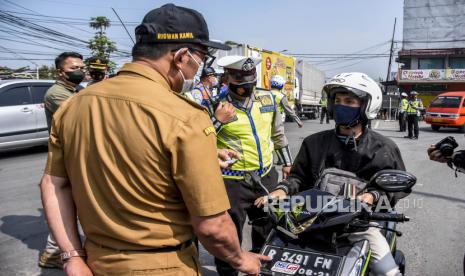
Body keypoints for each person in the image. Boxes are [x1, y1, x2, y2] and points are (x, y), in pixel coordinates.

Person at [40, 4, 270, 276]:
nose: (198, 70)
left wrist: (71, 256)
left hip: (95, 262)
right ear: (182, 55)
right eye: (200, 58)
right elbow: (213, 226)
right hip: (163, 264)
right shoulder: (185, 116)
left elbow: (54, 185)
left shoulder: (74, 106)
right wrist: (241, 259)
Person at [256, 72, 409, 276]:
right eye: (337, 100)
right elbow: (297, 178)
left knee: (389, 272)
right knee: (266, 265)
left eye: (349, 101)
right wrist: (281, 191)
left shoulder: (383, 148)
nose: (341, 105)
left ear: (366, 105)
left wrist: (372, 196)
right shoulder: (314, 143)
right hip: (307, 223)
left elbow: (395, 185)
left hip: (358, 228)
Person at [214, 55, 293, 276]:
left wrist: (287, 162)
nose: (246, 87)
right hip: (232, 181)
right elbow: (201, 141)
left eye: (250, 80)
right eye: (240, 82)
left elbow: (278, 134)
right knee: (229, 234)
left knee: (267, 228)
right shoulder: (215, 106)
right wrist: (217, 121)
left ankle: (261, 269)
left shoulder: (268, 100)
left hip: (266, 177)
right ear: (228, 78)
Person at [39, 51, 85, 268]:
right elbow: (83, 113)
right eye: (73, 68)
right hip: (65, 155)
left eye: (81, 68)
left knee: (70, 202)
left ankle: (58, 250)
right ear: (60, 72)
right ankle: (53, 252)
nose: (80, 71)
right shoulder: (56, 93)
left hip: (75, 152)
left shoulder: (76, 89)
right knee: (63, 202)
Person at [186, 67, 236, 132]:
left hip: (209, 122)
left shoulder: (207, 89)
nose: (215, 79)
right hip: (202, 127)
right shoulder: (197, 91)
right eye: (214, 76)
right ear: (208, 78)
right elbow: (194, 114)